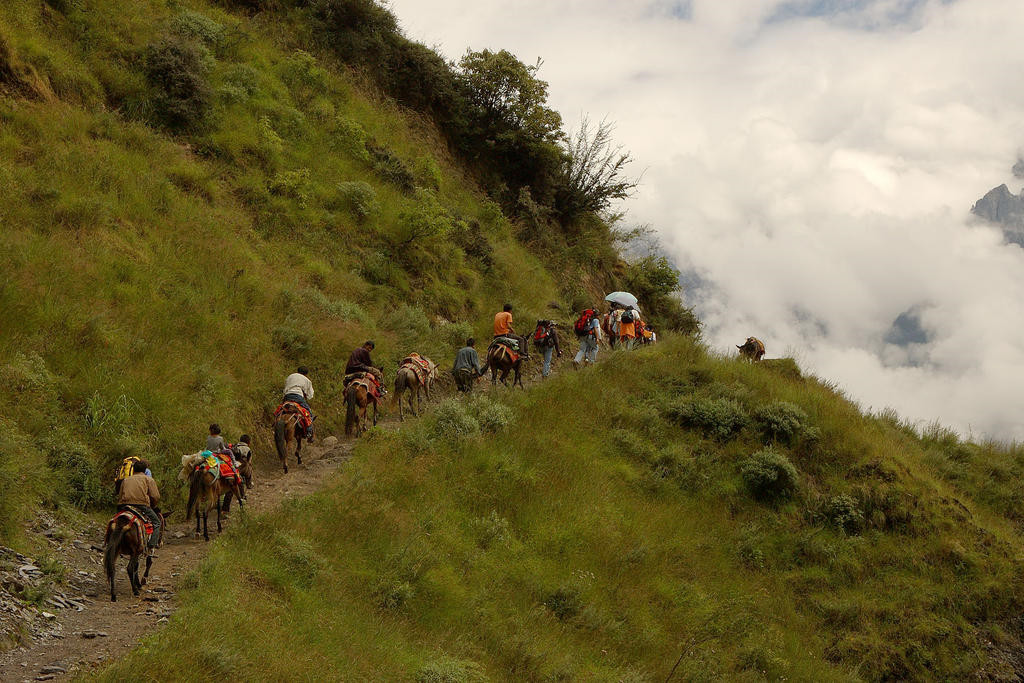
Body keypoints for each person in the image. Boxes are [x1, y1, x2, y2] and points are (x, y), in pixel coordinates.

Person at [116, 460, 162, 550]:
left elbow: (120, 495)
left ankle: (107, 541)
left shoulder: (126, 480)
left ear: (133, 469)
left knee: (116, 520)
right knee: (157, 523)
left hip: (124, 505)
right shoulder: (148, 479)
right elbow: (155, 496)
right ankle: (151, 546)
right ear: (145, 470)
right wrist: (152, 505)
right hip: (141, 506)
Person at [283, 365, 315, 440]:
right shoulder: (306, 380)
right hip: (298, 398)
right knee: (309, 414)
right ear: (306, 374)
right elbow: (310, 395)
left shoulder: (290, 376)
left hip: (287, 397)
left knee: (281, 410)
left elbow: (285, 388)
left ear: (298, 371)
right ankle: (309, 433)